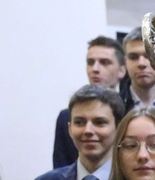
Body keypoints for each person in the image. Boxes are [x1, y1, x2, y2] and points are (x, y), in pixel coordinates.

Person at [53, 36, 128, 168]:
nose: (95, 69)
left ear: (121, 70)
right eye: (90, 62)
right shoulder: (66, 116)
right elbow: (61, 170)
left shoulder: (131, 115)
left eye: (104, 62)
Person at [122, 27, 155, 110]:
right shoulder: (114, 107)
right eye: (133, 57)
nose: (141, 63)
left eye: (149, 56)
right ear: (125, 62)